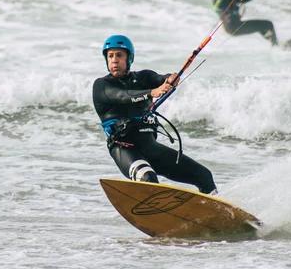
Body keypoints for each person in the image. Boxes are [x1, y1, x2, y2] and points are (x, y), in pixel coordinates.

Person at [92, 34, 218, 195]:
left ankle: (216, 215)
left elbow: (160, 79)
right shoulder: (102, 85)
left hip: (151, 147)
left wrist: (170, 79)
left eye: (119, 55)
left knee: (204, 175)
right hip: (124, 148)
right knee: (148, 178)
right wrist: (153, 92)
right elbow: (124, 96)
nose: (114, 60)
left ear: (129, 58)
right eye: (110, 56)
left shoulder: (143, 77)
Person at [212, 0, 279, 46]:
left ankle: (276, 44)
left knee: (260, 27)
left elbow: (224, 9)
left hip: (228, 28)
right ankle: (276, 46)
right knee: (268, 24)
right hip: (236, 26)